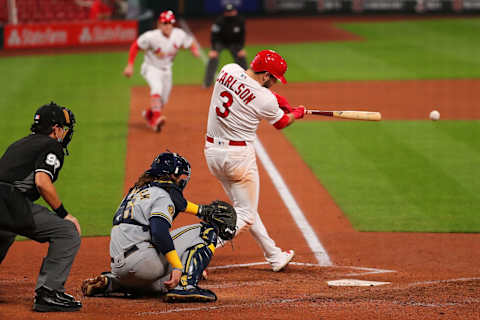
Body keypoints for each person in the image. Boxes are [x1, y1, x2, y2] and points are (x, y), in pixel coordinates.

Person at [81, 152, 236, 302]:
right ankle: (186, 286)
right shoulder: (162, 195)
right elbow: (159, 233)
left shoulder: (136, 192)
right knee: (205, 232)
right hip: (142, 262)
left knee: (161, 284)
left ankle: (113, 283)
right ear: (173, 175)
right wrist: (177, 266)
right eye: (180, 176)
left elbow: (177, 206)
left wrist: (200, 210)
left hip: (119, 268)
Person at [204, 49, 306, 272]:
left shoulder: (228, 69)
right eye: (275, 80)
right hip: (238, 159)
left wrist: (281, 101)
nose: (275, 84)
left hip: (212, 153)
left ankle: (274, 255)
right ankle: (200, 250)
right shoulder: (265, 98)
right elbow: (281, 123)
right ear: (267, 76)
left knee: (244, 208)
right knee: (246, 214)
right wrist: (297, 113)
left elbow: (255, 92)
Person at [0, 102, 82, 312]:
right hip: (9, 201)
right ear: (55, 129)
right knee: (67, 232)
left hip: (5, 202)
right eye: (63, 128)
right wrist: (65, 215)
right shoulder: (51, 145)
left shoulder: (19, 143)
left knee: (6, 231)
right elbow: (41, 182)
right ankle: (49, 292)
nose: (64, 133)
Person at [123, 10, 200, 132]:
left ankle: (149, 115)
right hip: (151, 68)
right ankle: (156, 119)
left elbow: (190, 43)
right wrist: (130, 65)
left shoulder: (178, 34)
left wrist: (194, 50)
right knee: (156, 89)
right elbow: (136, 46)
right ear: (159, 24)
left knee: (163, 100)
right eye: (165, 23)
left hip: (167, 70)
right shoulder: (151, 36)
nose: (168, 25)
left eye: (170, 22)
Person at [203, 3, 247, 88]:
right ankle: (207, 82)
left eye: (231, 11)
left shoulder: (240, 21)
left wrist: (241, 48)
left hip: (234, 43)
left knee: (241, 58)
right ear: (225, 12)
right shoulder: (219, 21)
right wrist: (213, 49)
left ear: (235, 11)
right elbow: (214, 35)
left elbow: (242, 36)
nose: (229, 14)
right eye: (228, 12)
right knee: (213, 57)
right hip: (221, 42)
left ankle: (246, 82)